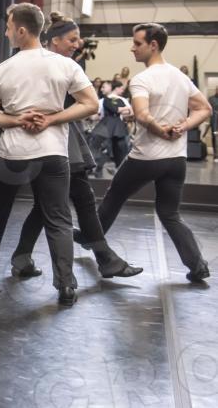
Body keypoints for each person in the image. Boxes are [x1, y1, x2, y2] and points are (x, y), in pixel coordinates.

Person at [0, 3, 99, 307]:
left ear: (21, 30)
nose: (6, 33)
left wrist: (17, 119)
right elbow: (91, 104)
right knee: (58, 218)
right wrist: (51, 119)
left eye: (8, 27)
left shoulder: (2, 69)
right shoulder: (65, 65)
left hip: (12, 155)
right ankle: (66, 285)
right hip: (52, 153)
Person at [8, 12, 142, 280]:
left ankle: (22, 258)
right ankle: (104, 258)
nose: (77, 44)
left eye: (77, 39)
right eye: (72, 39)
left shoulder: (60, 64)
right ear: (54, 40)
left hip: (58, 141)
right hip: (56, 143)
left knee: (49, 204)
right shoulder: (58, 66)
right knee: (80, 199)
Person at [89, 23, 212, 283]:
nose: (132, 48)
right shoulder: (180, 77)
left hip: (147, 158)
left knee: (113, 198)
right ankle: (198, 266)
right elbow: (204, 109)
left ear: (153, 45)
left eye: (137, 43)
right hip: (176, 161)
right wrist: (183, 126)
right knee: (169, 213)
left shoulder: (142, 79)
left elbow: (144, 115)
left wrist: (161, 129)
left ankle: (91, 239)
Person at [91, 80, 132, 171]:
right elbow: (95, 116)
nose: (101, 89)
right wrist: (122, 110)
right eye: (101, 87)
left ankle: (117, 168)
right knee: (104, 148)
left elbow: (130, 112)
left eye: (104, 87)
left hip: (117, 128)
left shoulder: (121, 100)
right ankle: (99, 168)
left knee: (119, 150)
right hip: (106, 127)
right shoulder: (103, 101)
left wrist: (119, 110)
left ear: (111, 87)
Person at [209, 87, 218, 162]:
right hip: (214, 121)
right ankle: (216, 155)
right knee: (214, 138)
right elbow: (210, 110)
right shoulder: (211, 99)